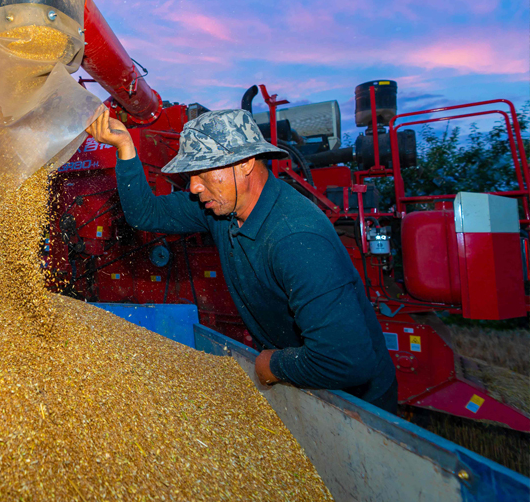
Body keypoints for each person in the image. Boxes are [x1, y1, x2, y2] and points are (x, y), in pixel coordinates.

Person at [87, 106, 398, 413]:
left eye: (203, 171)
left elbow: (347, 359)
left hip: (356, 410)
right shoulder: (223, 210)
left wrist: (272, 364)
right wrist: (125, 146)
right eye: (191, 174)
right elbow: (146, 213)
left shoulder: (296, 238)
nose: (194, 187)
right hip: (305, 386)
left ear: (246, 163)